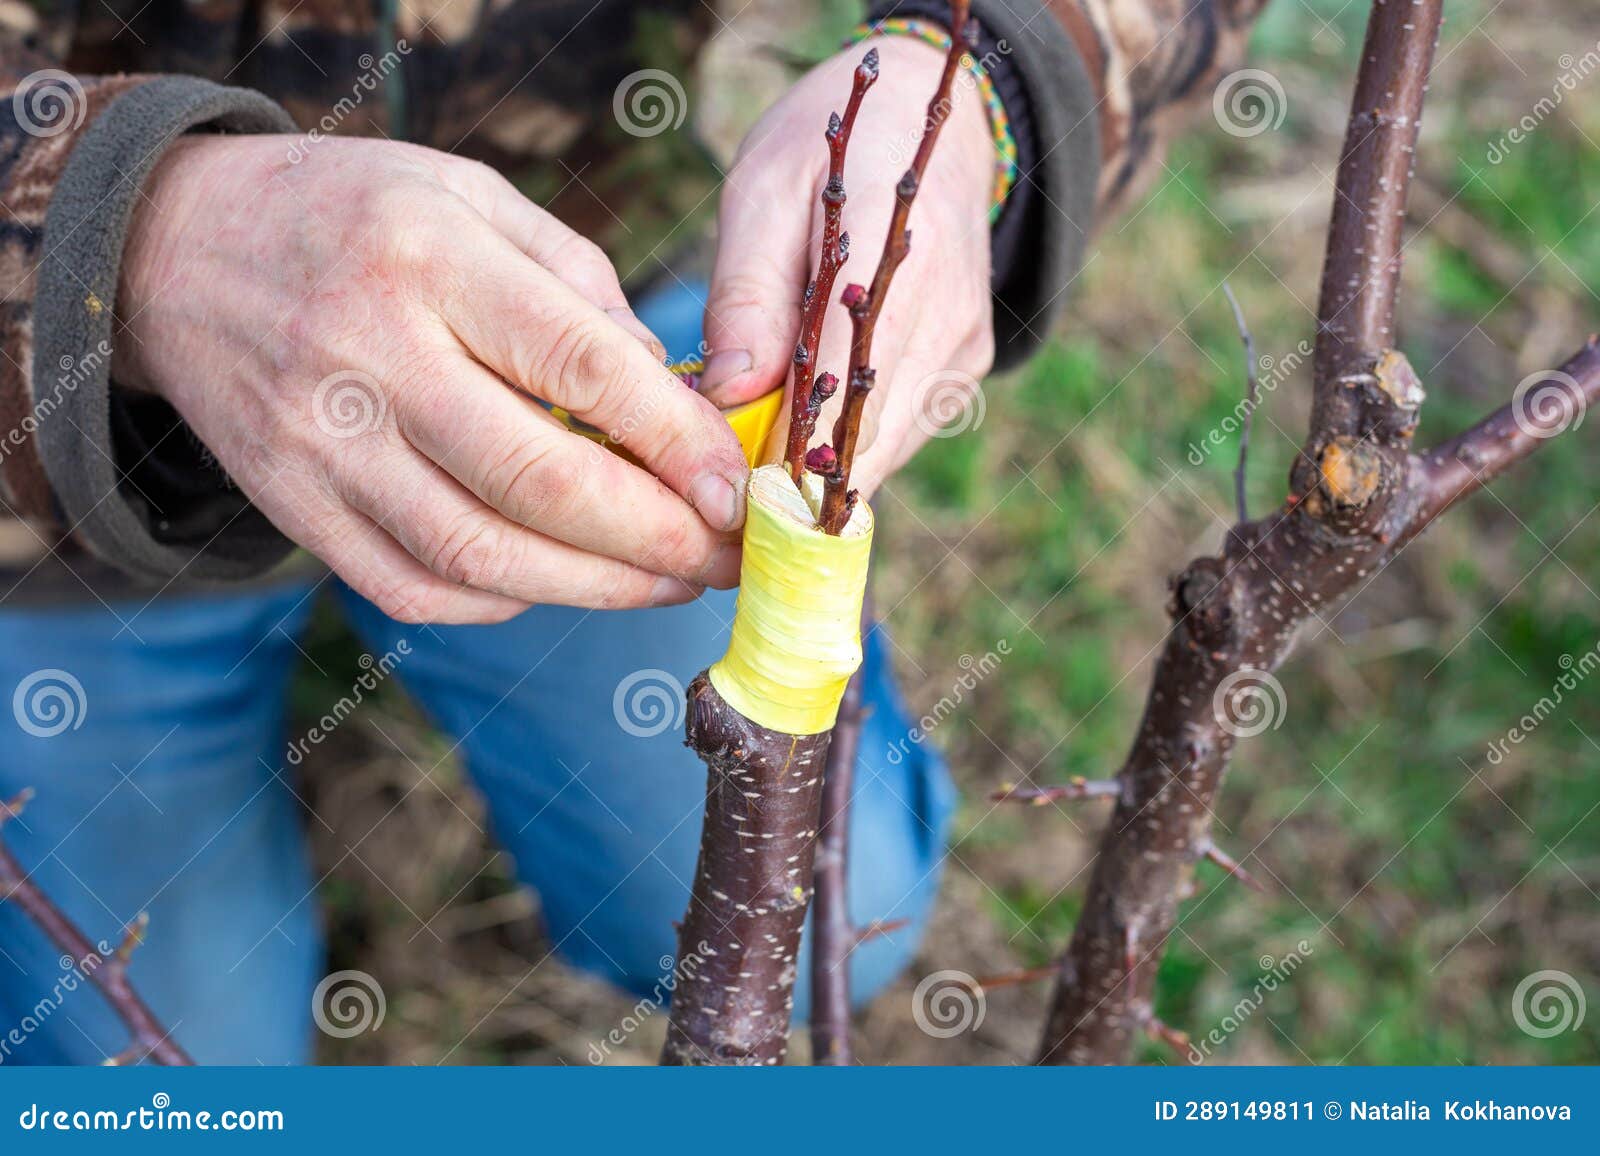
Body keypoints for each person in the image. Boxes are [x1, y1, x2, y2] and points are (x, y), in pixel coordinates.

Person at [0, 0, 1265, 1063]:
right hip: (59, 478)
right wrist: (122, 232)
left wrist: (979, 82)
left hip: (608, 320)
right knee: (157, 1077)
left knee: (816, 926)